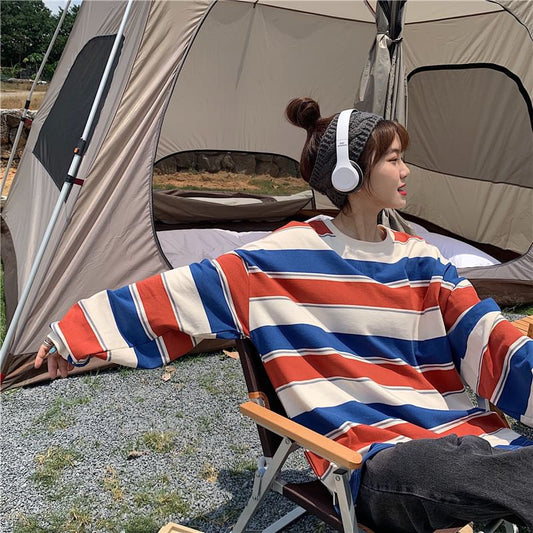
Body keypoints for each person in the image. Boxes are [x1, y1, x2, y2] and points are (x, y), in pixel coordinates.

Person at [35, 97, 533, 532]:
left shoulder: (423, 261)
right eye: (394, 159)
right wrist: (75, 334)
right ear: (350, 172)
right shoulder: (280, 259)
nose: (406, 171)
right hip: (374, 460)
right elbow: (175, 294)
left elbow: (490, 338)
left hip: (459, 438)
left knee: (482, 465)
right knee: (448, 471)